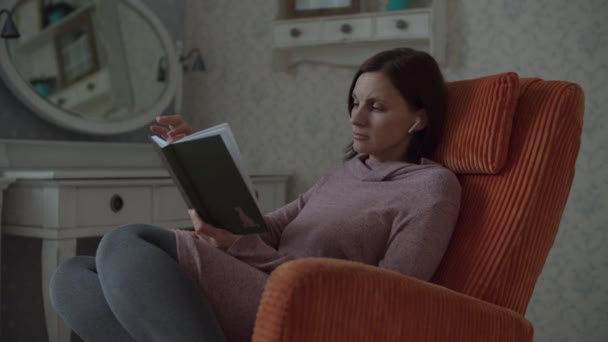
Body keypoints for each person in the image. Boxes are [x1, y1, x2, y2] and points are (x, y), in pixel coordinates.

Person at [49, 47, 461, 342]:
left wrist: (246, 249)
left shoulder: (431, 189)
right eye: (354, 102)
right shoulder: (345, 173)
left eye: (376, 106)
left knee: (127, 241)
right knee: (73, 276)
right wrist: (205, 159)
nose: (355, 117)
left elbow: (390, 296)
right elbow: (267, 229)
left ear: (419, 118)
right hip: (256, 280)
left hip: (309, 307)